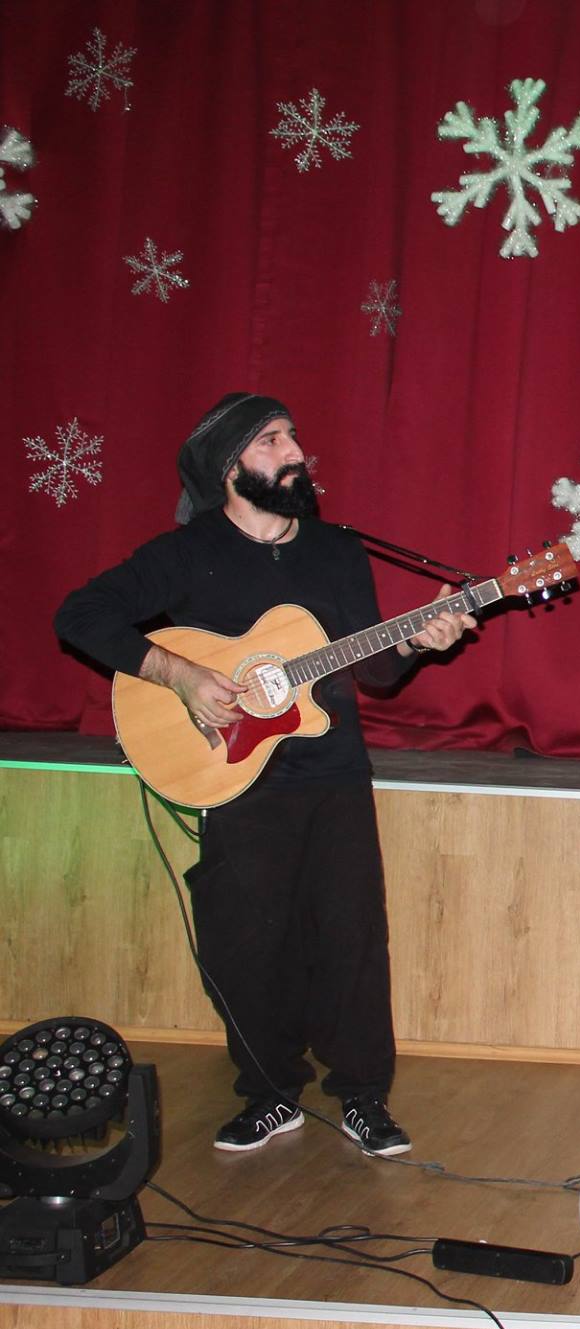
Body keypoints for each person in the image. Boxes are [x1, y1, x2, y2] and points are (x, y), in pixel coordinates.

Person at [54, 393, 474, 1156]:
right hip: (236, 779)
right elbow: (80, 614)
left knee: (351, 937)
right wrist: (179, 673)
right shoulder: (187, 553)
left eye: (293, 437)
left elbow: (374, 670)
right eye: (272, 441)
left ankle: (363, 1096)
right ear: (230, 466)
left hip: (333, 772)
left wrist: (420, 639)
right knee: (245, 943)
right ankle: (271, 1093)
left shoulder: (336, 551)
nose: (295, 453)